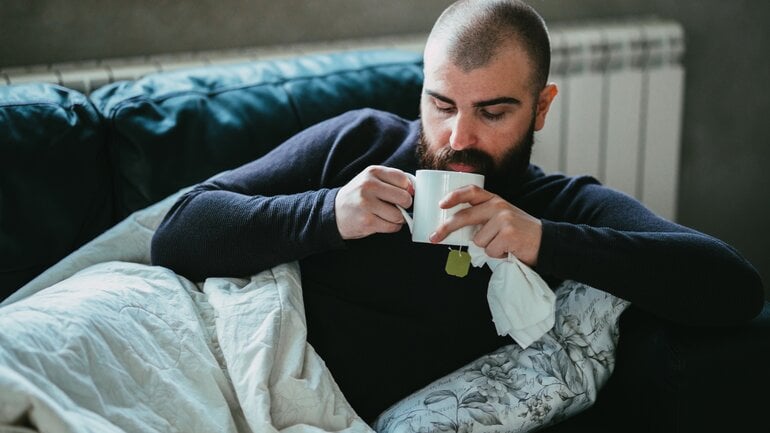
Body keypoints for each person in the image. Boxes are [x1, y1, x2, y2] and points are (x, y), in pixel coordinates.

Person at [151, 0, 764, 423]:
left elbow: (732, 287)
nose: (457, 138)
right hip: (224, 377)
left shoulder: (560, 207)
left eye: (493, 113)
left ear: (541, 108)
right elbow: (177, 232)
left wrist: (542, 241)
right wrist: (328, 212)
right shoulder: (362, 142)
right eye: (441, 105)